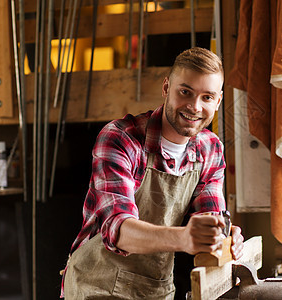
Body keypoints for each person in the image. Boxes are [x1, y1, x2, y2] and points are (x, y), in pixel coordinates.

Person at [61, 47, 244, 299]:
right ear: (166, 88)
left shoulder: (210, 149)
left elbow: (210, 218)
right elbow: (119, 230)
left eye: (207, 97)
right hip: (96, 284)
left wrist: (223, 236)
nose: (194, 107)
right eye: (185, 92)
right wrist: (184, 238)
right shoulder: (121, 138)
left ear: (218, 101)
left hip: (154, 288)